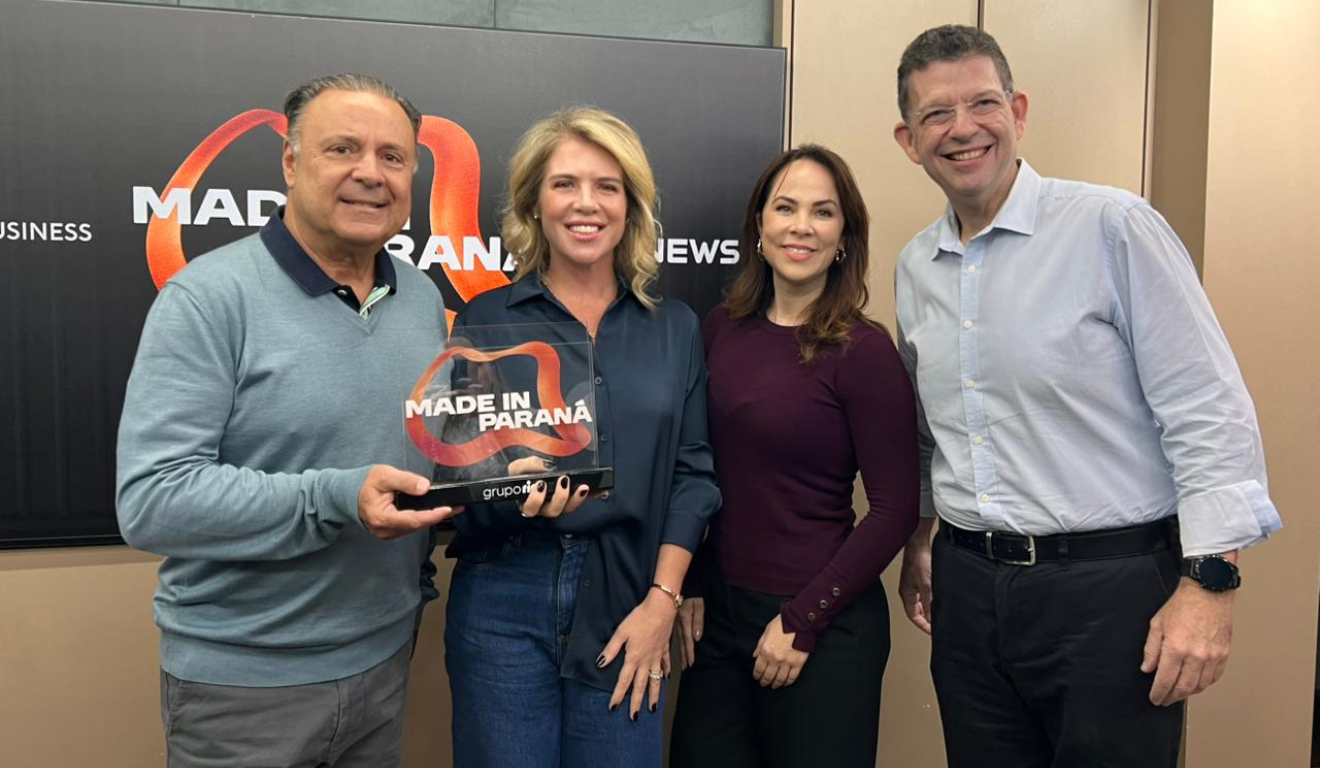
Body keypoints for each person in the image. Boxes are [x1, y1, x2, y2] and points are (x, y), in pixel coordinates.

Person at [890, 25, 1282, 768]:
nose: (963, 127)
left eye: (983, 102)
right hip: (969, 594)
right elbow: (933, 427)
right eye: (937, 114)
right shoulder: (918, 267)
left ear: (1020, 110)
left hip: (1109, 596)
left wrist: (1212, 583)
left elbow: (1207, 408)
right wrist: (921, 537)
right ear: (910, 140)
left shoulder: (1113, 227)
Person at [116, 74, 459, 767]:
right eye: (342, 149)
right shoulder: (208, 299)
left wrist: (512, 468)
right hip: (244, 688)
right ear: (292, 164)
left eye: (393, 157)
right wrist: (334, 496)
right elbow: (152, 501)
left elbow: (433, 451)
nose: (370, 173)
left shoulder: (422, 297)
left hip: (385, 660)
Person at [441, 106, 721, 768]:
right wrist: (514, 491)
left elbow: (693, 475)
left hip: (628, 592)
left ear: (632, 206)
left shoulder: (674, 327)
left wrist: (663, 600)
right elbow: (458, 466)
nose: (585, 203)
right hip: (502, 591)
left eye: (608, 185)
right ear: (534, 204)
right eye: (565, 184)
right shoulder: (487, 319)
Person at [669, 145, 920, 767]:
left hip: (819, 624)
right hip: (720, 620)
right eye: (785, 207)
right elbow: (702, 468)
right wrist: (697, 577)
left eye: (823, 212)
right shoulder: (721, 327)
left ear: (844, 236)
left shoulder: (864, 351)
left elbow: (895, 508)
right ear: (759, 226)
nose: (801, 225)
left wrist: (802, 620)